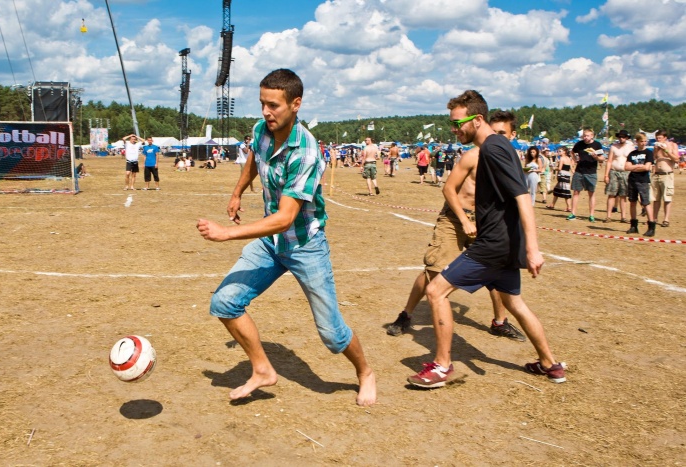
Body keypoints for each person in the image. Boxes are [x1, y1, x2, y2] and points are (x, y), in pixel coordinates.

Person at [196, 68, 377, 407]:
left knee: (332, 335)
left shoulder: (306, 151)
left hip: (305, 245)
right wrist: (238, 191)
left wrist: (226, 235)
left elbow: (285, 218)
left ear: (296, 104)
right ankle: (263, 369)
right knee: (224, 303)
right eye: (263, 103)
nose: (266, 112)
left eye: (274, 105)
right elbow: (255, 157)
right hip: (271, 243)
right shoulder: (261, 130)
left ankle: (365, 372)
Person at [407, 90, 565, 388]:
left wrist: (533, 248)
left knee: (436, 292)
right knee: (515, 303)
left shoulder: (493, 148)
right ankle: (550, 364)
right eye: (451, 124)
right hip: (504, 244)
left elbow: (522, 197)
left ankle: (442, 366)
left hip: (493, 244)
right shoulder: (497, 147)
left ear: (477, 119)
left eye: (458, 123)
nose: (455, 130)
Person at [387, 109, 526, 342]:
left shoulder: (508, 159)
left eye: (504, 133)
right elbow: (449, 189)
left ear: (512, 136)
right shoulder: (474, 155)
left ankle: (499, 322)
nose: (499, 137)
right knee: (434, 270)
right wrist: (463, 219)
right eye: (496, 132)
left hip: (484, 222)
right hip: (454, 218)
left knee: (497, 273)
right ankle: (406, 314)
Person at [568, 128, 604, 222]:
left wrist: (596, 157)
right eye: (584, 135)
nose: (585, 137)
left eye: (587, 135)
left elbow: (602, 158)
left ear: (592, 136)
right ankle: (573, 213)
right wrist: (575, 159)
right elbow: (572, 152)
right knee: (576, 192)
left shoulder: (597, 144)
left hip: (591, 172)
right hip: (579, 171)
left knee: (591, 193)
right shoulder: (579, 144)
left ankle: (591, 215)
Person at [625, 132, 656, 236]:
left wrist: (634, 167)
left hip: (643, 181)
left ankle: (651, 226)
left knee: (646, 203)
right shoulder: (632, 154)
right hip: (632, 180)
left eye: (645, 141)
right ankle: (633, 225)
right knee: (632, 202)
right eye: (641, 141)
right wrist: (639, 166)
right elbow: (626, 167)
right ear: (637, 141)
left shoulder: (648, 153)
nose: (643, 143)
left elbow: (647, 167)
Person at [603, 129, 634, 223]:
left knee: (623, 195)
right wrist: (606, 175)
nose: (621, 138)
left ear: (627, 138)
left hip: (625, 172)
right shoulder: (613, 147)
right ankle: (608, 216)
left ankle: (623, 217)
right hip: (614, 171)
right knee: (611, 194)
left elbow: (633, 161)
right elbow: (609, 161)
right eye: (620, 136)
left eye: (623, 137)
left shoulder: (631, 147)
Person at [651, 129, 679, 227]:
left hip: (667, 174)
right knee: (656, 198)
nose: (658, 140)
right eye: (657, 138)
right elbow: (654, 158)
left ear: (665, 138)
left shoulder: (672, 145)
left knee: (667, 198)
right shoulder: (656, 146)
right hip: (657, 174)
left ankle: (666, 219)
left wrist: (665, 150)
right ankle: (654, 218)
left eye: (660, 138)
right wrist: (657, 150)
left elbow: (676, 159)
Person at [547, 146, 573, 211]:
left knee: (565, 191)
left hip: (562, 175)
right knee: (557, 190)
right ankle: (552, 204)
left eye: (560, 151)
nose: (558, 152)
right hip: (567, 175)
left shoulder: (562, 158)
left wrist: (554, 168)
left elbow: (560, 168)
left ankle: (569, 207)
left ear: (564, 152)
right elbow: (571, 168)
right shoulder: (568, 158)